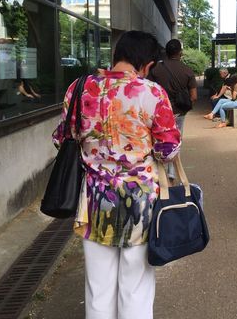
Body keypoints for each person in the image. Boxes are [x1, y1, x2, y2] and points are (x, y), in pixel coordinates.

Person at [52, 30, 181, 319]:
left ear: (117, 56)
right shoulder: (152, 93)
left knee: (98, 288)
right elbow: (168, 149)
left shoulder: (79, 87)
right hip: (140, 200)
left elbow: (62, 138)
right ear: (147, 64)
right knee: (135, 285)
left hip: (96, 199)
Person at [149, 39, 197, 180]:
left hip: (158, 113)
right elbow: (194, 96)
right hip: (179, 112)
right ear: (180, 53)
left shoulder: (156, 69)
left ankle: (158, 170)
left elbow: (149, 90)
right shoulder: (187, 70)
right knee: (175, 140)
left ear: (167, 52)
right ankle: (172, 172)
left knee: (157, 140)